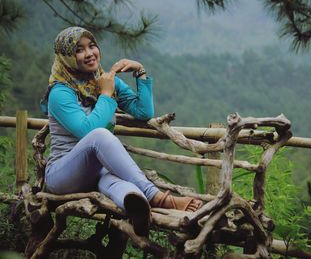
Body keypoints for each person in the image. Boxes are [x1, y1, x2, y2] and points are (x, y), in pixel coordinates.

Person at [40, 26, 202, 236]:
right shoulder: (60, 93)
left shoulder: (105, 80)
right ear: (67, 57)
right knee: (100, 136)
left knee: (117, 184)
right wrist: (106, 95)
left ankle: (138, 208)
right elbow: (88, 131)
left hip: (96, 172)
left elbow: (143, 112)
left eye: (92, 46)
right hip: (63, 175)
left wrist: (140, 71)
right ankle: (159, 197)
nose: (89, 53)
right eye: (79, 50)